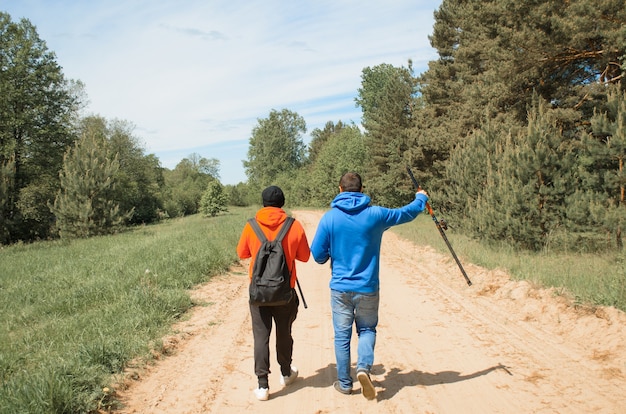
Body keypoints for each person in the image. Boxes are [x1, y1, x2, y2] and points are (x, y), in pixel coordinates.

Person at [310, 172, 428, 400]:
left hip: (340, 289)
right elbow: (407, 213)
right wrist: (420, 198)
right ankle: (363, 368)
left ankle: (345, 383)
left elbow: (317, 255)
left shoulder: (329, 218)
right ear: (362, 189)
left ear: (340, 188)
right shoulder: (376, 215)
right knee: (367, 329)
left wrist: (329, 254)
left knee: (341, 337)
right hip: (368, 287)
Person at [236, 185, 311, 401]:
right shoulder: (293, 226)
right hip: (285, 293)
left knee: (261, 336)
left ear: (263, 203)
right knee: (284, 332)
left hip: (258, 294)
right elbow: (305, 256)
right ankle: (286, 373)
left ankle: (262, 386)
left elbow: (242, 253)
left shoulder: (251, 226)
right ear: (282, 204)